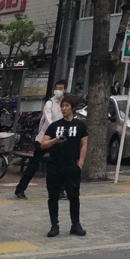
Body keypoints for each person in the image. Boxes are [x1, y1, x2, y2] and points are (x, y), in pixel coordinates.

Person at [40, 92, 87, 237]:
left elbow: (84, 144)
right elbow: (43, 144)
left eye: (67, 106)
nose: (64, 108)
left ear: (73, 108)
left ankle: (76, 224)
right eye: (62, 106)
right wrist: (55, 141)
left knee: (74, 196)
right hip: (55, 165)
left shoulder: (80, 125)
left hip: (71, 166)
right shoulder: (55, 126)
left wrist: (80, 163)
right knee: (53, 196)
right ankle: (54, 225)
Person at [15, 78, 66, 198]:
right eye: (57, 88)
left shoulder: (65, 104)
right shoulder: (49, 103)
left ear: (65, 90)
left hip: (58, 139)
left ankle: (59, 190)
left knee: (60, 164)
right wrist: (56, 130)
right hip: (45, 137)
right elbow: (48, 120)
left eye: (61, 88)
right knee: (34, 164)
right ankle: (20, 189)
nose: (58, 91)